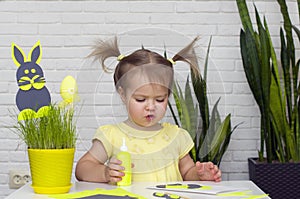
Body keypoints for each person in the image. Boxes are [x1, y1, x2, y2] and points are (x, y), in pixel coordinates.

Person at [75, 36, 222, 183]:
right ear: (123, 94)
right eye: (141, 99)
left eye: (160, 99)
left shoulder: (176, 136)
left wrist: (199, 174)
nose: (151, 107)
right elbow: (82, 169)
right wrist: (105, 173)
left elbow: (187, 172)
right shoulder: (112, 135)